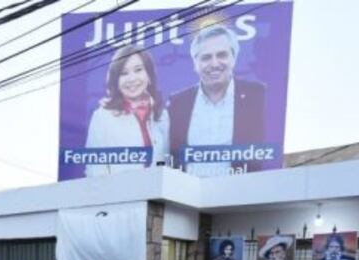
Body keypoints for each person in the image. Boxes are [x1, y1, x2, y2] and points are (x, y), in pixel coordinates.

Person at [168, 25, 265, 176]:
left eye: (221, 55)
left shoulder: (259, 96)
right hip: (187, 197)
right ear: (195, 63)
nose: (214, 64)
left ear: (233, 58)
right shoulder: (177, 103)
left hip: (241, 194)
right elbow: (171, 157)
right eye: (206, 57)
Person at [84, 46, 169, 176]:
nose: (132, 79)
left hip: (157, 195)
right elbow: (95, 172)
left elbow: (167, 164)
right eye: (124, 73)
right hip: (119, 195)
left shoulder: (162, 115)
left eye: (138, 70)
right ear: (115, 80)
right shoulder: (102, 118)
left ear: (149, 74)